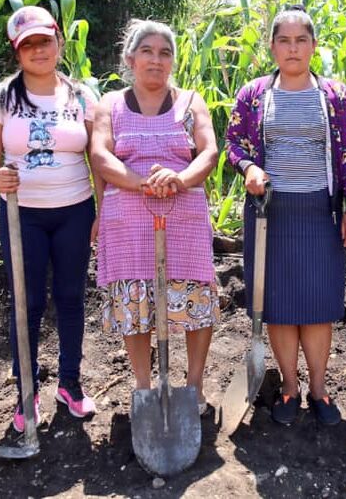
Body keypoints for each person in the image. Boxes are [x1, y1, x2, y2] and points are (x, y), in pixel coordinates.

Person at [225, 6, 346, 426]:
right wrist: (249, 168)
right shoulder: (253, 95)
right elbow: (235, 143)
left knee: (319, 304)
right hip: (269, 213)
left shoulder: (336, 97)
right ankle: (289, 388)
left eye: (300, 40)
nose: (292, 48)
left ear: (313, 46)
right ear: (272, 47)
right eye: (283, 40)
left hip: (320, 211)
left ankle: (319, 389)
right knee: (280, 305)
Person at [0, 5, 101, 432]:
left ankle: (70, 384)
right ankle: (25, 393)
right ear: (17, 52)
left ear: (58, 42)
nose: (38, 51)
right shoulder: (1, 97)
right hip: (22, 215)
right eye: (28, 45)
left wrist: (101, 212)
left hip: (74, 209)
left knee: (70, 297)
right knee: (27, 302)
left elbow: (96, 159)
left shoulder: (83, 96)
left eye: (44, 41)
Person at [90, 20, 219, 415]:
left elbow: (209, 153)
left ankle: (193, 387)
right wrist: (142, 182)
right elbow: (100, 156)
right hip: (128, 219)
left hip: (183, 215)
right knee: (136, 302)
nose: (156, 60)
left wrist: (177, 179)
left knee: (196, 297)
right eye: (147, 51)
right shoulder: (109, 104)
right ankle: (144, 388)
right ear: (130, 58)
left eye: (165, 53)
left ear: (173, 61)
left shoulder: (190, 102)